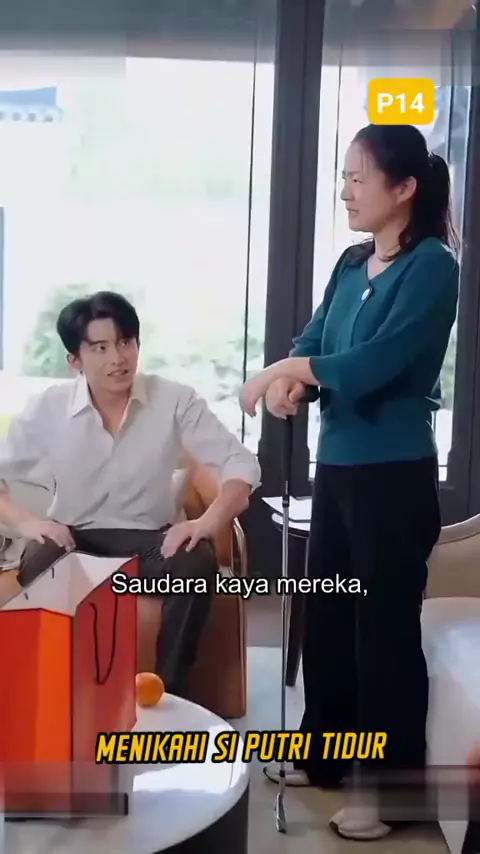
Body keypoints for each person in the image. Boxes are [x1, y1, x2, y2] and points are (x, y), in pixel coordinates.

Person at [239, 124, 460, 840]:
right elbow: (315, 342)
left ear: (405, 188)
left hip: (393, 477)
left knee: (383, 631)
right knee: (328, 617)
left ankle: (391, 793)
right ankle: (326, 757)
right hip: (335, 469)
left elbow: (372, 364)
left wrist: (285, 373)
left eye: (359, 178)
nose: (346, 191)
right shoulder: (351, 262)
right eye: (345, 177)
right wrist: (292, 381)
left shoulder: (432, 267)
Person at [0, 290, 261, 697]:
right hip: (74, 538)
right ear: (75, 360)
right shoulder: (48, 408)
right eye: (100, 348)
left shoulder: (174, 399)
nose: (118, 358)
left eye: (125, 342)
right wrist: (30, 524)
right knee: (42, 557)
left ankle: (168, 695)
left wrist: (204, 523)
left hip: (152, 543)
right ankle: (56, 694)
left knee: (197, 562)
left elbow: (242, 465)